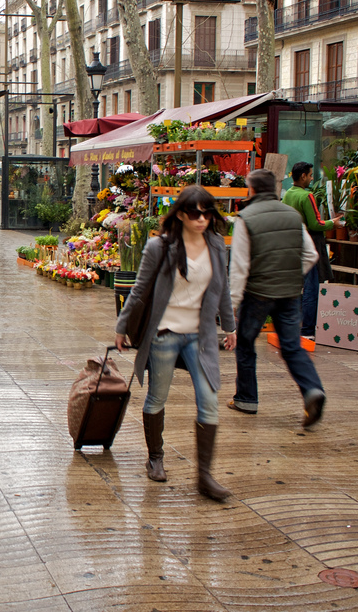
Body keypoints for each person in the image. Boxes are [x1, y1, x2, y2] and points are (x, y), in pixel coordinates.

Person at [115, 185, 238, 501]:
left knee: (209, 399)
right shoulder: (160, 246)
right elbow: (140, 289)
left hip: (202, 335)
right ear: (181, 214)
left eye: (207, 213)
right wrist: (122, 326)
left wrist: (230, 326)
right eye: (195, 213)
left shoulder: (215, 244)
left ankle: (205, 476)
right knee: (157, 397)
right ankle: (155, 457)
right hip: (165, 333)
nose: (202, 219)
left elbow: (221, 289)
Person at [229, 169, 326, 426]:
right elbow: (311, 255)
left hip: (257, 293)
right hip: (290, 292)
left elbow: (239, 266)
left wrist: (231, 303)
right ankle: (312, 389)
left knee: (246, 344)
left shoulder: (245, 217)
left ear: (251, 188)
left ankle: (246, 398)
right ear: (275, 188)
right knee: (291, 346)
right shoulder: (292, 215)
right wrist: (291, 275)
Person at [283, 161, 339, 338]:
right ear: (303, 176)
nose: (312, 178)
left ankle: (288, 326)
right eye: (310, 175)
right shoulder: (307, 196)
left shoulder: (288, 195)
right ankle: (307, 330)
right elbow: (315, 223)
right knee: (311, 287)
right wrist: (333, 223)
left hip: (292, 244)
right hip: (309, 244)